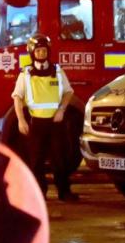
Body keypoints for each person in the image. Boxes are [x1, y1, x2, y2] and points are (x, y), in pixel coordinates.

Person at [12, 33, 78, 201]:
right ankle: (39, 193)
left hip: (56, 124)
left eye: (44, 50)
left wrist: (61, 110)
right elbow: (17, 98)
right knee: (35, 162)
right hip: (37, 124)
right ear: (32, 53)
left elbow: (69, 92)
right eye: (38, 50)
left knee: (60, 160)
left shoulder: (57, 71)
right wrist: (21, 120)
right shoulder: (25, 74)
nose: (41, 53)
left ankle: (64, 192)